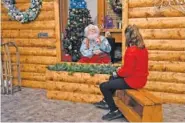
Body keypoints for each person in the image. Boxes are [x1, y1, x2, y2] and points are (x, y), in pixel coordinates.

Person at [94, 25, 149, 121]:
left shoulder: (131, 50)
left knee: (103, 86)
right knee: (112, 78)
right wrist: (119, 72)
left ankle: (114, 111)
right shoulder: (143, 49)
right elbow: (133, 67)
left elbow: (127, 72)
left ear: (128, 36)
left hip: (133, 81)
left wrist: (118, 72)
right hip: (141, 79)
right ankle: (106, 101)